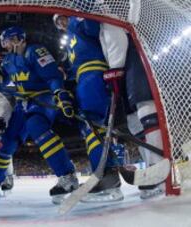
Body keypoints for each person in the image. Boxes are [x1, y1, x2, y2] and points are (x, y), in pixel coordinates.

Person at [0, 26, 79, 204]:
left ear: (18, 38)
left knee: (36, 127)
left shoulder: (35, 51)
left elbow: (52, 76)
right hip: (22, 102)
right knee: (7, 139)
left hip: (42, 97)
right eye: (3, 42)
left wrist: (60, 93)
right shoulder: (8, 60)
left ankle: (67, 176)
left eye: (7, 41)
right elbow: (3, 79)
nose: (5, 45)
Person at [53, 15, 125, 202]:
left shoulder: (77, 22)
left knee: (92, 122)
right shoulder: (70, 37)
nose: (61, 23)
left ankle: (106, 176)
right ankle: (106, 175)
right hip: (82, 79)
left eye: (62, 17)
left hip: (93, 72)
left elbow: (93, 26)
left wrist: (82, 10)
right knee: (88, 126)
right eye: (57, 22)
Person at [97, 20, 165, 199]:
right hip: (128, 61)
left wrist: (115, 68)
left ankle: (158, 169)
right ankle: (153, 168)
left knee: (145, 107)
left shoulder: (105, 15)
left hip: (133, 58)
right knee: (134, 121)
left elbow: (116, 38)